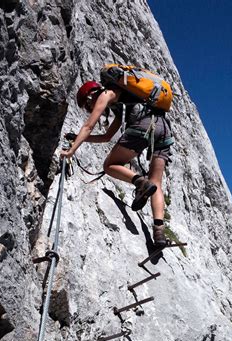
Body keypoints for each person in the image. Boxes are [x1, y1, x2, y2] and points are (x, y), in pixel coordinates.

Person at [61, 80, 174, 249]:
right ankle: (159, 233)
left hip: (143, 125)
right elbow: (106, 137)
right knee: (156, 183)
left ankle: (140, 182)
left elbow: (89, 125)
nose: (90, 109)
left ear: (91, 94)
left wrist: (71, 151)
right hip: (164, 128)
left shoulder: (107, 94)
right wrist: (76, 138)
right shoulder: (125, 103)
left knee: (110, 165)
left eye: (88, 105)